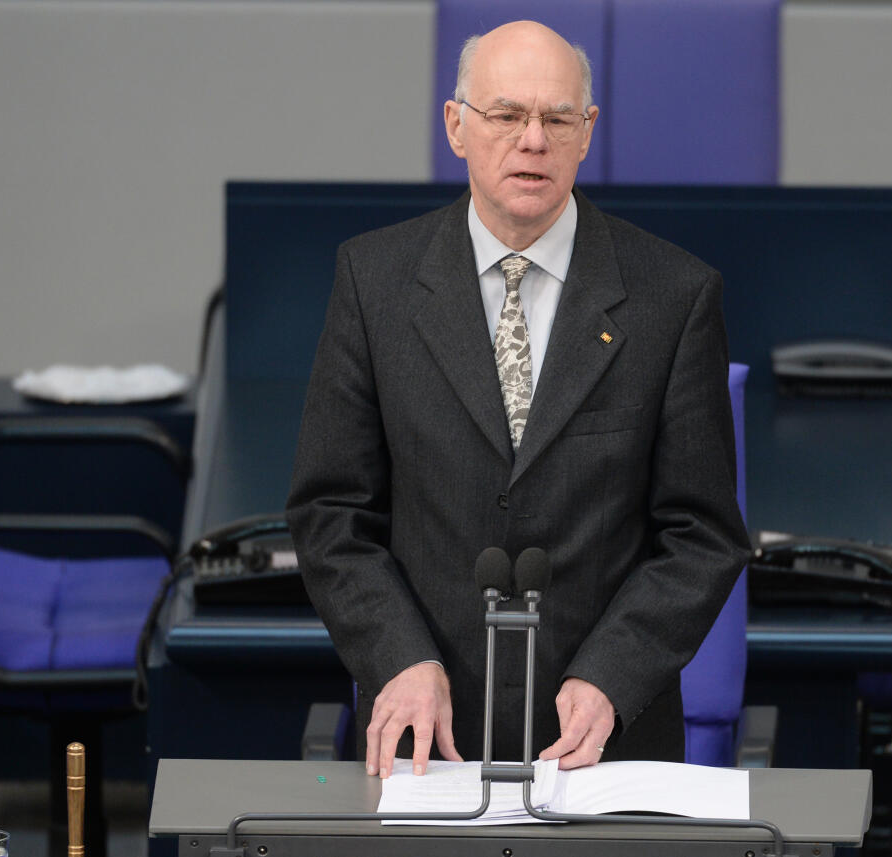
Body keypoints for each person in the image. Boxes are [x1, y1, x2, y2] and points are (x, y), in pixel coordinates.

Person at [286, 20, 749, 781]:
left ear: (586, 132)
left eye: (556, 118)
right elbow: (332, 514)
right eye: (506, 115)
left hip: (603, 750)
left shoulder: (674, 297)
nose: (532, 140)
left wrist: (611, 675)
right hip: (426, 746)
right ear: (457, 125)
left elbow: (701, 534)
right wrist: (398, 657)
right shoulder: (374, 283)